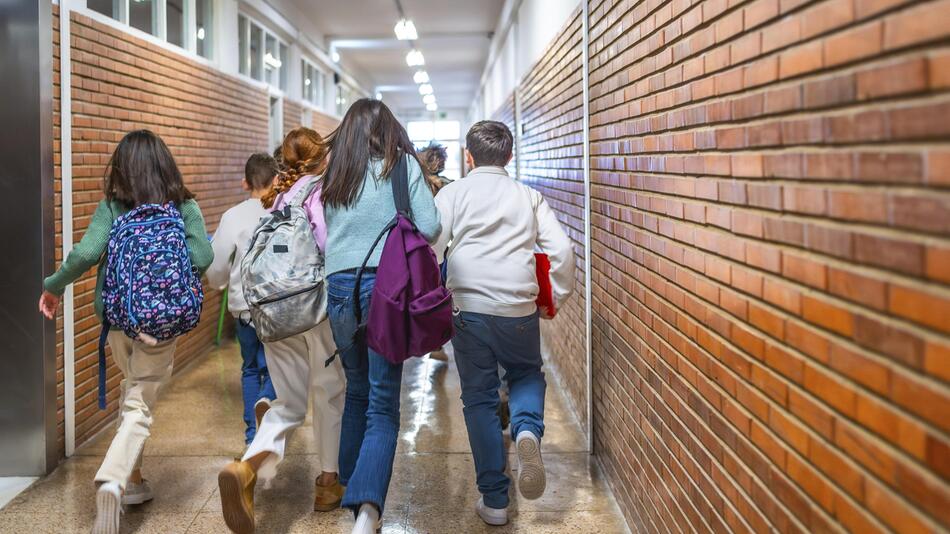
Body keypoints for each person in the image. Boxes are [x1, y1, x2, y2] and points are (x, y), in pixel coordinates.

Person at [38, 130, 214, 534]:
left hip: (118, 318)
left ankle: (133, 481)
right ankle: (115, 479)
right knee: (140, 404)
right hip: (161, 326)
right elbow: (203, 255)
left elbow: (85, 253)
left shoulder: (114, 206)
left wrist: (53, 285)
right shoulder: (184, 204)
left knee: (131, 388)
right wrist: (170, 290)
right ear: (165, 164)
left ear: (121, 168)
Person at [433, 120, 575, 526]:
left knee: (478, 399)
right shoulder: (527, 195)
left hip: (469, 308)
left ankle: (494, 501)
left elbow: (433, 247)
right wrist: (556, 298)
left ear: (468, 155)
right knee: (526, 374)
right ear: (510, 157)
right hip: (518, 307)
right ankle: (527, 430)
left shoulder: (453, 193)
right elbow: (561, 251)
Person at [217, 128, 346, 534]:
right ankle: (328, 482)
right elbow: (327, 247)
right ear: (320, 159)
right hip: (314, 311)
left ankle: (248, 465)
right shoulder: (322, 194)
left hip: (273, 314)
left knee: (288, 403)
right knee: (329, 391)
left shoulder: (275, 198)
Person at [321, 99, 440, 534]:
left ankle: (351, 488)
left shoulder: (334, 174)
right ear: (388, 130)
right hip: (384, 288)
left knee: (356, 390)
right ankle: (367, 511)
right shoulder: (401, 168)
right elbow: (429, 227)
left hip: (337, 290)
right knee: (384, 406)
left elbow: (326, 236)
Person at [206, 153, 279, 445]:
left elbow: (218, 263)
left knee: (250, 368)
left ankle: (252, 436)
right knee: (281, 367)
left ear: (244, 182)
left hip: (246, 307)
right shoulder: (286, 210)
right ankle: (268, 400)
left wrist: (220, 283)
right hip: (280, 306)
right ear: (277, 180)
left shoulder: (233, 216)